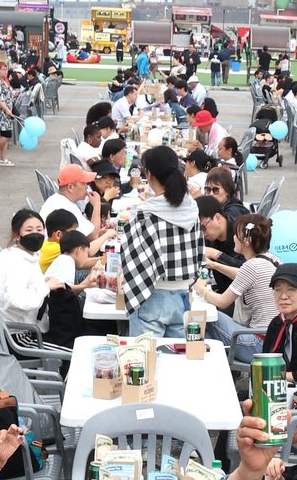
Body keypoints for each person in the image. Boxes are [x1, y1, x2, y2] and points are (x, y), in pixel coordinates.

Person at [118, 146, 204, 337]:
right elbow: (199, 253)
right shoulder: (192, 209)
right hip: (184, 296)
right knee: (180, 361)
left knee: (145, 362)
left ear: (148, 174)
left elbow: (130, 259)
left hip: (151, 295)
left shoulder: (147, 214)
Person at [194, 212, 277, 349]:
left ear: (247, 240)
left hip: (258, 342)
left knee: (203, 317)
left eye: (236, 234)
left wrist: (200, 289)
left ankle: (211, 363)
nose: (233, 237)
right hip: (273, 339)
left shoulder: (251, 266)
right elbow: (243, 275)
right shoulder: (271, 259)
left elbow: (222, 301)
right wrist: (215, 265)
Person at [0, 206, 49, 333]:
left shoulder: (29, 257)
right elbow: (19, 301)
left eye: (39, 229)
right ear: (17, 235)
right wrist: (45, 287)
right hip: (22, 335)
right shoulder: (15, 264)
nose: (35, 234)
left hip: (33, 327)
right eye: (29, 230)